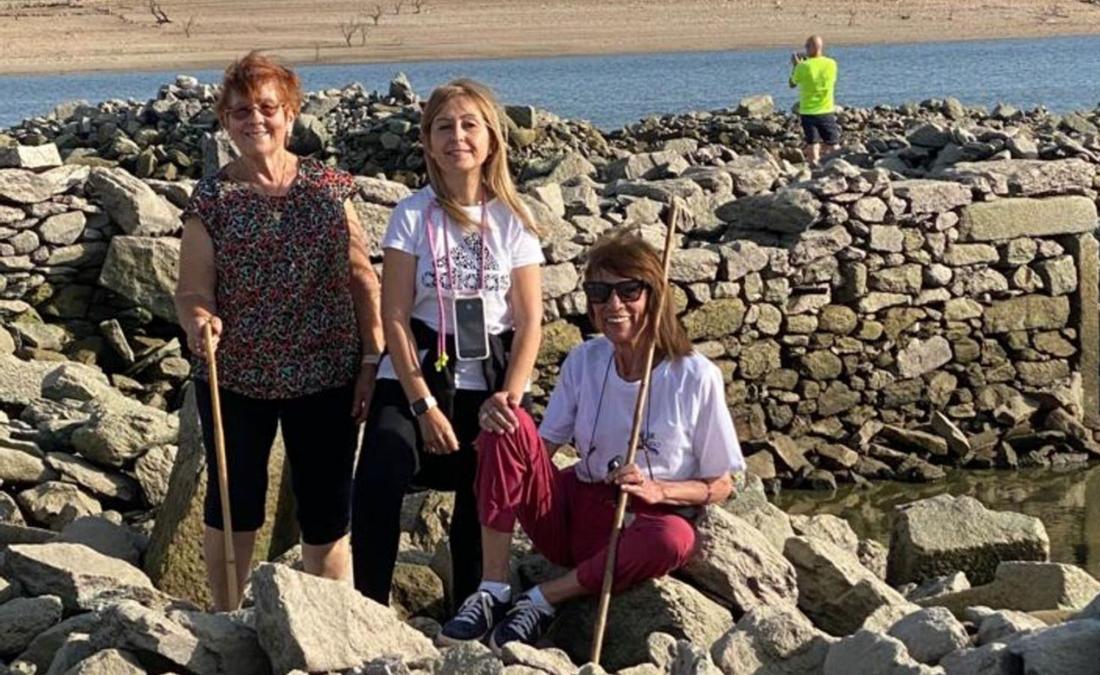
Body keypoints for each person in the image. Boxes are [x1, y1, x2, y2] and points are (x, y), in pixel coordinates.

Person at [436, 229, 744, 651]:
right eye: (599, 292)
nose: (613, 305)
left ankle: (544, 598)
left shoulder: (694, 375)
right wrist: (499, 442)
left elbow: (721, 484)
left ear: (654, 294)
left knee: (675, 540)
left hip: (639, 519)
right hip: (573, 510)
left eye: (628, 290)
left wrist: (659, 489)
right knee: (508, 421)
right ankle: (492, 589)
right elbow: (540, 448)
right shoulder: (585, 359)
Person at [174, 51, 384, 610]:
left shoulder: (330, 188)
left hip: (327, 373)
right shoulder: (211, 199)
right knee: (233, 503)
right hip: (237, 374)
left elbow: (363, 278)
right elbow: (193, 288)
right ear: (225, 121)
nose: (255, 120)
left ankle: (325, 628)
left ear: (290, 114)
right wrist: (198, 318)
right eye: (241, 110)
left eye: (267, 108)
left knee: (326, 511)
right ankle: (227, 620)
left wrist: (372, 361)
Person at [351, 79, 544, 612]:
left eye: (468, 125)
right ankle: (368, 608)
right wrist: (423, 404)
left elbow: (530, 322)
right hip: (416, 371)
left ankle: (472, 611)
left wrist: (510, 395)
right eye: (444, 126)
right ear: (429, 142)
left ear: (491, 139)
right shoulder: (411, 214)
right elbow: (393, 315)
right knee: (377, 479)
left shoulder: (514, 219)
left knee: (479, 501)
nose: (456, 136)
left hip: (491, 374)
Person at [788, 35, 841, 164]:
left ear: (811, 47)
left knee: (813, 144)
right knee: (833, 143)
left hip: (808, 111)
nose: (805, 49)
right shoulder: (831, 63)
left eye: (806, 46)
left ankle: (814, 168)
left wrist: (796, 66)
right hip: (826, 109)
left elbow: (792, 83)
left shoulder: (803, 67)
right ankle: (838, 164)